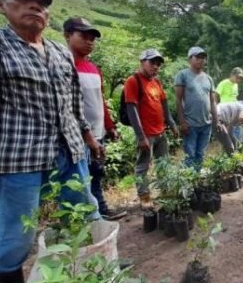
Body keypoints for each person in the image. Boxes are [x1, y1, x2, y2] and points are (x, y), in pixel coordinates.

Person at [0, 0, 102, 283]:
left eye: (41, 3)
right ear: (1, 5)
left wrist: (88, 138)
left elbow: (73, 103)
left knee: (84, 214)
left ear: (47, 16)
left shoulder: (60, 53)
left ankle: (83, 280)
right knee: (18, 236)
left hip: (70, 150)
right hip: (17, 158)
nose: (34, 6)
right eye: (22, 0)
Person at [64, 17, 120, 219]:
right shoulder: (64, 66)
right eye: (84, 36)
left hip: (98, 132)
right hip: (76, 137)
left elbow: (100, 100)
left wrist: (109, 125)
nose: (90, 42)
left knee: (96, 173)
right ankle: (88, 218)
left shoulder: (94, 68)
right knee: (80, 179)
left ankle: (101, 211)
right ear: (67, 35)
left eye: (92, 38)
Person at [124, 49, 178, 208]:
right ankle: (145, 197)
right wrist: (140, 137)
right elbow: (132, 110)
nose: (156, 66)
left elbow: (164, 105)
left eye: (158, 64)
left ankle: (165, 191)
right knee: (142, 167)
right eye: (152, 62)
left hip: (160, 132)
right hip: (146, 134)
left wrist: (172, 124)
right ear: (142, 61)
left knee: (163, 163)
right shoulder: (133, 81)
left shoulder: (156, 82)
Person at [175, 46, 219, 170]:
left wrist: (216, 121)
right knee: (190, 155)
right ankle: (189, 184)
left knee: (200, 155)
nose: (201, 60)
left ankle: (197, 180)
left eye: (203, 58)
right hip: (190, 124)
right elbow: (178, 99)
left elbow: (212, 101)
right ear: (190, 59)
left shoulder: (208, 78)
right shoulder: (182, 75)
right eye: (198, 57)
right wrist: (182, 121)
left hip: (206, 124)